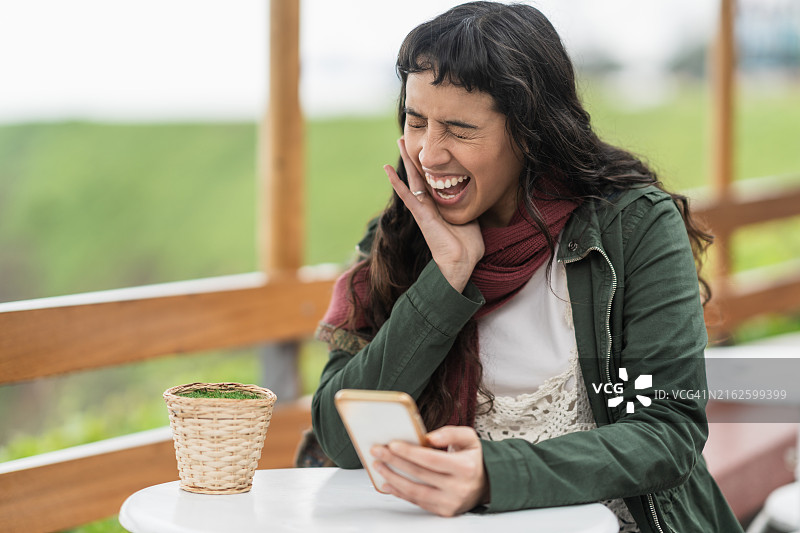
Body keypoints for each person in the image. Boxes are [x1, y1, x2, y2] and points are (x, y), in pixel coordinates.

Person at [309, 2, 743, 531]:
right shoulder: (398, 239)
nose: (428, 153)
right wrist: (446, 277)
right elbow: (340, 437)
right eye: (416, 121)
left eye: (459, 129)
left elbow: (667, 432)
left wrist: (493, 476)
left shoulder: (635, 228)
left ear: (529, 130)